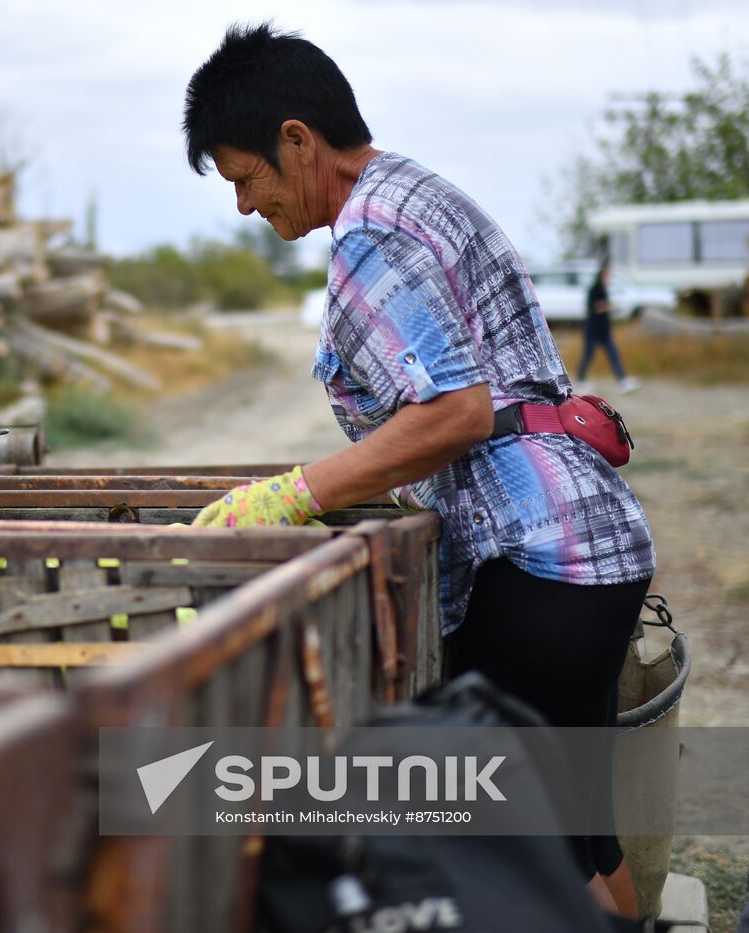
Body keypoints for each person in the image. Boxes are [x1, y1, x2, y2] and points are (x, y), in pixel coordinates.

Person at [183, 25, 655, 915]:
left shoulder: (370, 236)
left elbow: (455, 412)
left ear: (297, 139)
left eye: (246, 178)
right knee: (577, 835)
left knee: (519, 845)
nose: (247, 206)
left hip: (537, 564)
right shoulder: (414, 193)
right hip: (586, 550)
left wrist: (295, 493)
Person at [577, 261, 639, 393]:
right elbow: (595, 308)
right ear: (602, 276)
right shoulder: (594, 290)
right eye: (607, 276)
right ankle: (581, 380)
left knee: (613, 355)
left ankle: (623, 381)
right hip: (593, 331)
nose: (609, 278)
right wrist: (610, 306)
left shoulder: (604, 290)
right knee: (588, 356)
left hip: (604, 331)